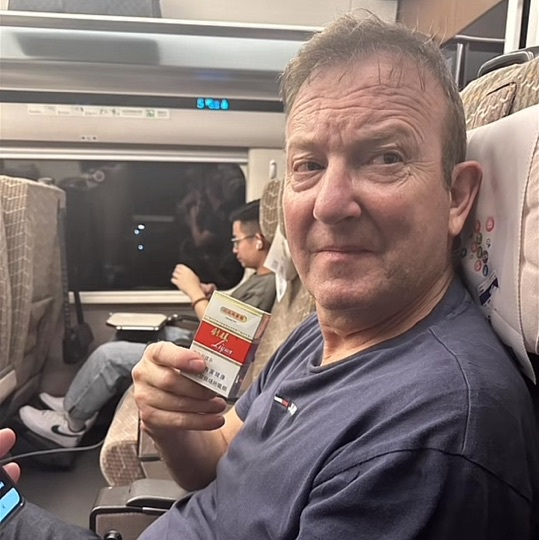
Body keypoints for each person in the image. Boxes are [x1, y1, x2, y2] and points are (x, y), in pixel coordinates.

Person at [4, 14, 538, 540]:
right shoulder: (325, 330)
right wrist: (165, 419)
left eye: (384, 157)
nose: (329, 205)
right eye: (309, 165)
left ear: (457, 197)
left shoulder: (432, 437)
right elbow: (216, 461)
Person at [18, 200, 275, 448]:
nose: (234, 249)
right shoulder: (257, 278)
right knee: (125, 336)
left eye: (237, 241)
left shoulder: (267, 285)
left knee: (109, 356)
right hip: (201, 347)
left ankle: (70, 426)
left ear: (258, 240)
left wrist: (194, 293)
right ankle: (76, 402)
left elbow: (230, 338)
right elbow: (234, 317)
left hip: (210, 361)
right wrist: (211, 296)